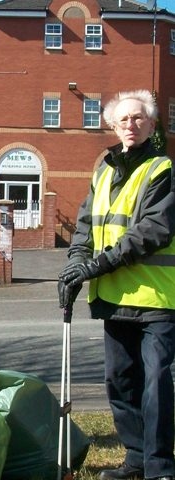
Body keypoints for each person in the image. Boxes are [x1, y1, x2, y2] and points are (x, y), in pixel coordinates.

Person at [58, 90, 175, 480]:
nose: (131, 124)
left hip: (157, 298)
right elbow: (85, 227)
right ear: (112, 125)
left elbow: (152, 231)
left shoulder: (162, 169)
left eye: (139, 118)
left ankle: (160, 467)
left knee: (156, 382)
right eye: (124, 119)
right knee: (120, 381)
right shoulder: (103, 171)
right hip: (113, 297)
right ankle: (136, 459)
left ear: (151, 125)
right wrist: (76, 263)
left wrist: (95, 266)